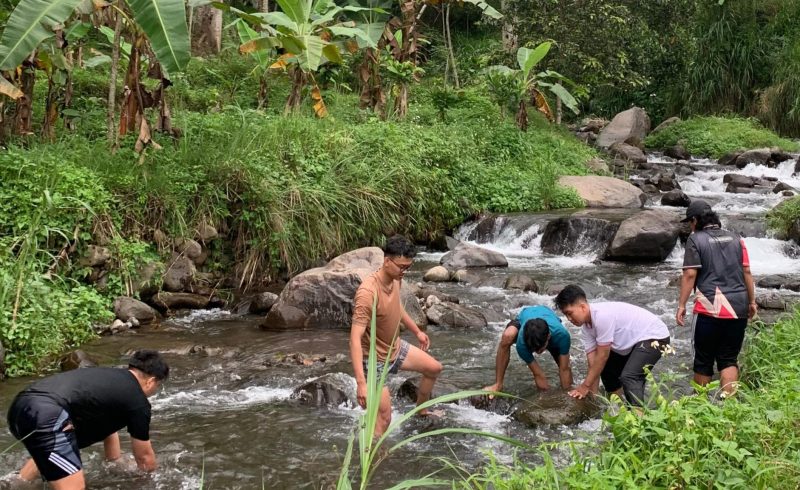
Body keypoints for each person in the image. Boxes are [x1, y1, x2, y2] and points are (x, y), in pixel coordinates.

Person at [5, 350, 169, 489]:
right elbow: (144, 458)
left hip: (19, 407)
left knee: (53, 449)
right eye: (158, 385)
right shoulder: (138, 402)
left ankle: (16, 483)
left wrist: (115, 461)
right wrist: (154, 482)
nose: (155, 390)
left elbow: (107, 426)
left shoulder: (108, 380)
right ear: (151, 381)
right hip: (48, 415)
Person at [349, 235, 443, 437]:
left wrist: (417, 331)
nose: (404, 271)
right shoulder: (367, 293)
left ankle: (421, 410)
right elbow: (355, 338)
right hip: (374, 361)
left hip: (395, 347)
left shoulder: (395, 279)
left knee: (434, 368)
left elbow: (397, 307)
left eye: (408, 267)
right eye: (402, 266)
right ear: (387, 261)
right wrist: (361, 383)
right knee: (384, 419)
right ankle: (372, 459)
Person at [676, 199, 756, 396]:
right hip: (738, 306)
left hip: (709, 308)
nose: (690, 227)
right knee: (728, 359)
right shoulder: (736, 238)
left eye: (690, 222)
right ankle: (728, 409)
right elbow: (747, 272)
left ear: (695, 220)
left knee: (703, 362)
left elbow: (690, 274)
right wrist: (752, 301)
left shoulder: (695, 240)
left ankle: (701, 409)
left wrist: (681, 305)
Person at [555, 285, 671, 406]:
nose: (569, 319)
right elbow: (593, 363)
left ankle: (638, 418)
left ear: (583, 307)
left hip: (655, 336)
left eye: (570, 313)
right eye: (565, 315)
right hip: (633, 342)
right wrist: (592, 397)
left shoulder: (602, 316)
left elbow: (603, 355)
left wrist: (585, 386)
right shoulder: (586, 329)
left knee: (630, 377)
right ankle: (619, 409)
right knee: (605, 369)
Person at [483, 305, 573, 395]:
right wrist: (546, 398)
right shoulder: (522, 344)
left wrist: (567, 396)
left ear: (549, 336)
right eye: (534, 350)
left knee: (564, 366)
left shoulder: (562, 336)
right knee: (507, 336)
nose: (538, 352)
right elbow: (538, 374)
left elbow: (564, 369)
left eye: (541, 349)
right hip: (525, 316)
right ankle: (498, 384)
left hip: (547, 315)